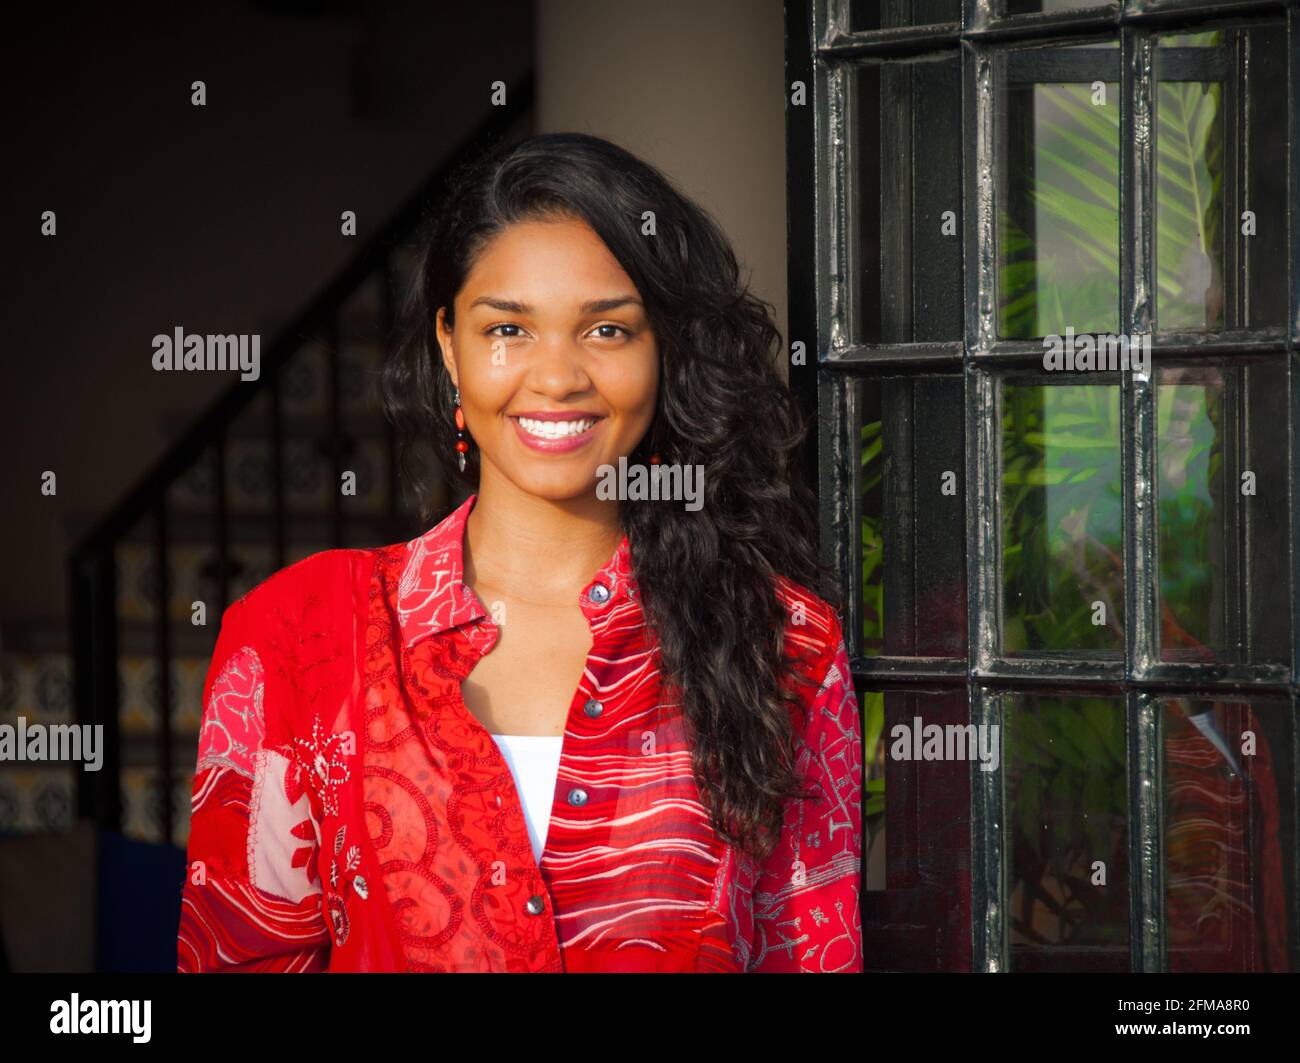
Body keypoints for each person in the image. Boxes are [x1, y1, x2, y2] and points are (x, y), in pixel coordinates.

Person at [177, 132, 863, 973]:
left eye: (608, 329)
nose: (557, 376)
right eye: (508, 327)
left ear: (665, 351)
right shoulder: (295, 635)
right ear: (448, 346)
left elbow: (814, 955)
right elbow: (241, 958)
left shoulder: (786, 640)